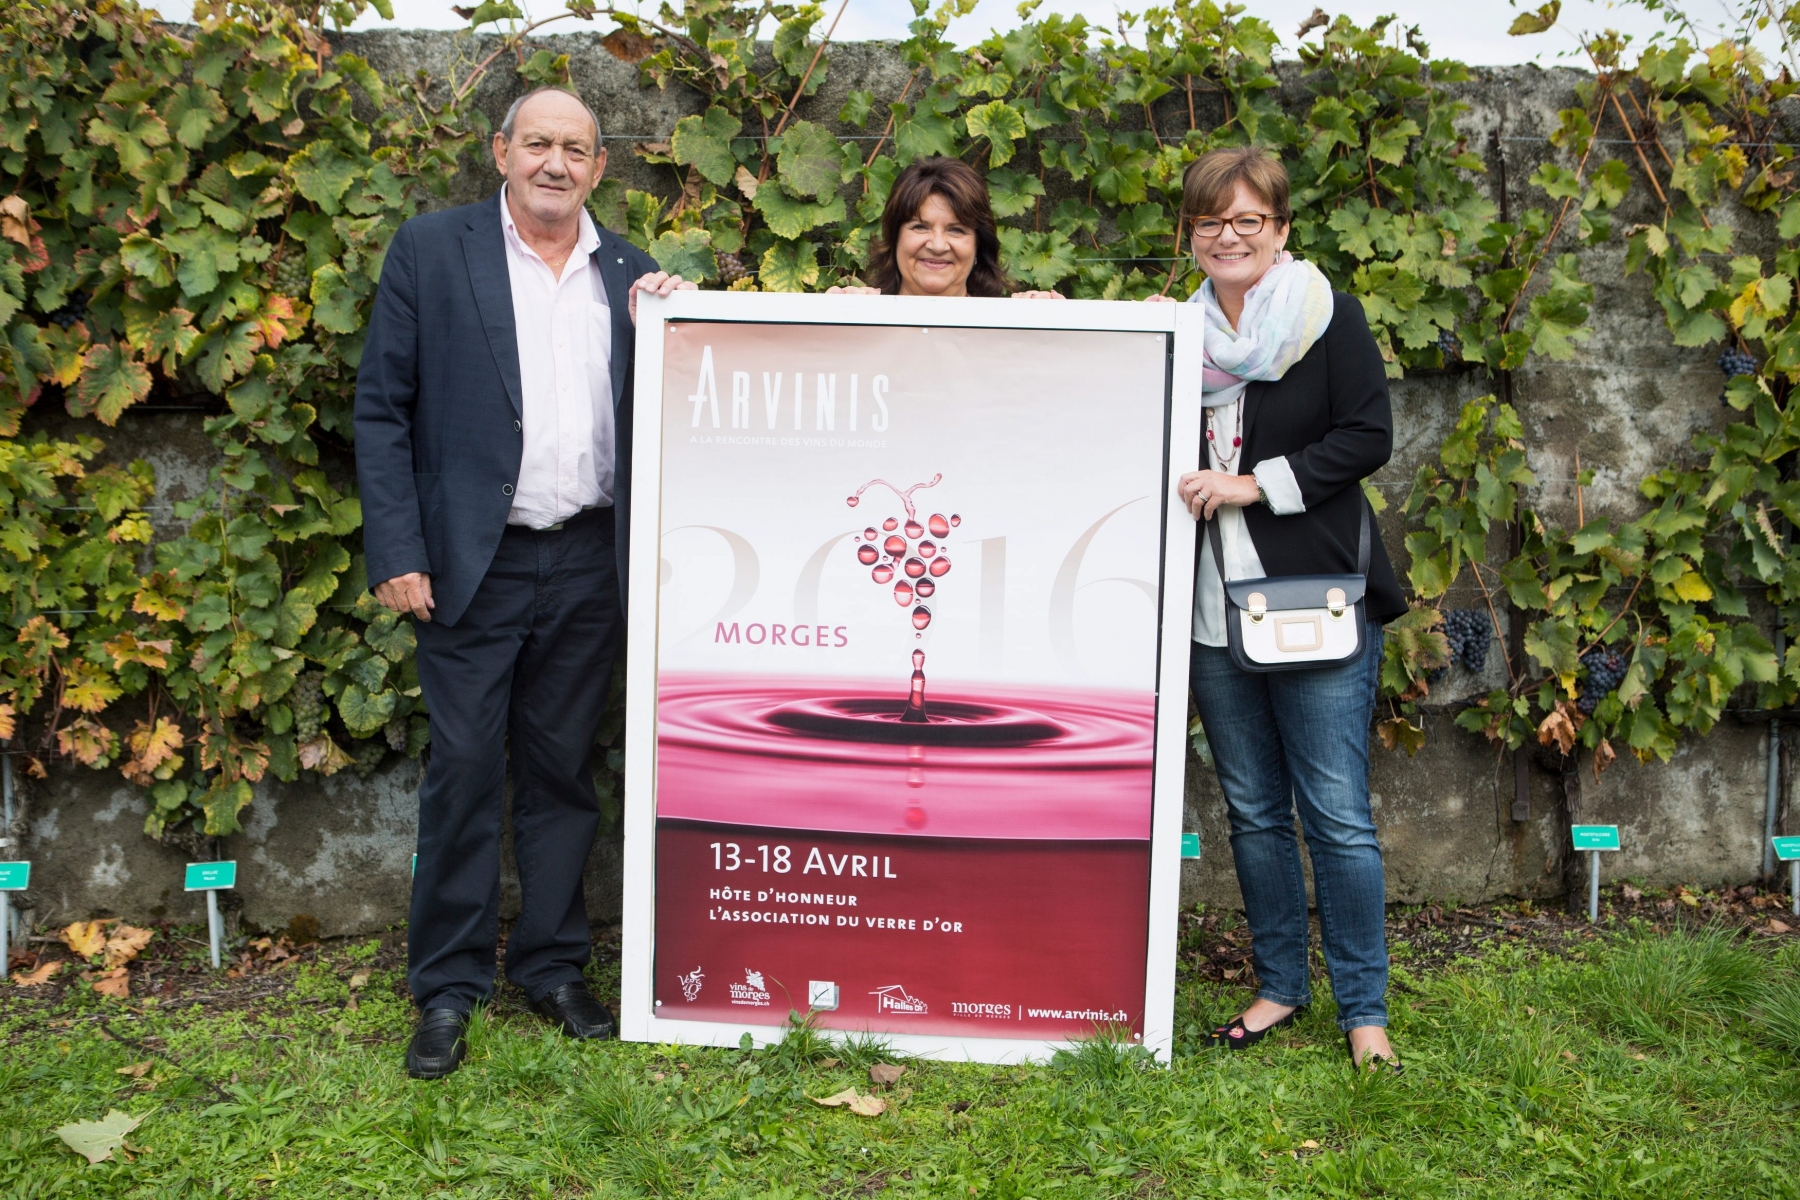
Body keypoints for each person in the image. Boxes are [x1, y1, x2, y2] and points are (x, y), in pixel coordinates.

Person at [355, 84, 694, 1079]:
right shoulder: (432, 249)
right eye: (538, 143)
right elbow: (383, 408)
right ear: (502, 151)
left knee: (560, 776)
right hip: (471, 562)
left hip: (589, 558)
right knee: (463, 775)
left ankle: (552, 970)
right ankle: (449, 989)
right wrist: (397, 549)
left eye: (577, 148)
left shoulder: (631, 274)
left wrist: (688, 321)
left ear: (599, 167)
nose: (556, 162)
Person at [1148, 146, 1407, 1070]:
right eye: (1211, 222)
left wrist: (1255, 485)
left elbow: (1368, 434)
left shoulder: (1324, 317)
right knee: (1253, 809)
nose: (1229, 236)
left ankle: (1364, 1010)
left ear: (1281, 230)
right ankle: (1279, 987)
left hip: (1312, 596)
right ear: (1191, 237)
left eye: (1249, 220)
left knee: (1335, 811)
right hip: (1213, 608)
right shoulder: (1175, 333)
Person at [827, 155, 1062, 299]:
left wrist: (1046, 330)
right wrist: (838, 326)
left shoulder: (1007, 331)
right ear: (895, 237)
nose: (938, 245)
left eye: (956, 229)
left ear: (978, 244)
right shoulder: (861, 321)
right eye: (920, 227)